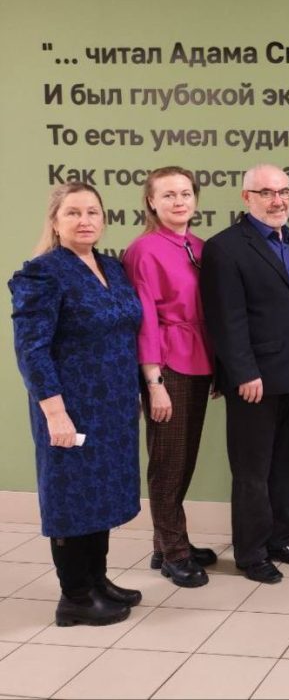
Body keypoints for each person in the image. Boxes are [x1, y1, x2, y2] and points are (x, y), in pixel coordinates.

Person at [10, 182, 143, 626]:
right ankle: (76, 597)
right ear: (55, 221)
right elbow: (32, 350)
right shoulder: (43, 274)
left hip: (113, 408)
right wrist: (54, 412)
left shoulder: (111, 267)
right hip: (69, 407)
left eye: (92, 212)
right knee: (71, 498)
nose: (84, 220)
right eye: (73, 213)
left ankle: (97, 580)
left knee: (100, 496)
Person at [201, 164, 289, 584]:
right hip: (255, 382)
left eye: (284, 191)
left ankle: (279, 541)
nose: (277, 200)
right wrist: (243, 372)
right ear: (246, 197)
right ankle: (251, 554)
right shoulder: (225, 248)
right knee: (252, 472)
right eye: (266, 192)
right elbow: (225, 318)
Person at [123, 166, 217, 588]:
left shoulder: (199, 246)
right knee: (167, 462)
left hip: (198, 360)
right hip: (166, 366)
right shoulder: (143, 251)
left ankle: (167, 543)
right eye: (168, 195)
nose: (179, 201)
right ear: (151, 201)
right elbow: (144, 320)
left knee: (184, 459)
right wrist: (154, 382)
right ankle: (174, 554)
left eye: (185, 193)